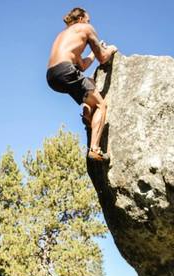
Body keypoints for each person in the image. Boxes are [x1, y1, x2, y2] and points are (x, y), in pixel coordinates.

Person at [47, 7, 117, 161]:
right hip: (66, 70)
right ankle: (95, 149)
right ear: (81, 19)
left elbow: (82, 66)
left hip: (52, 76)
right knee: (101, 105)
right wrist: (110, 49)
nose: (89, 23)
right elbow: (104, 58)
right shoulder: (86, 28)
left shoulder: (64, 35)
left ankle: (87, 111)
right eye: (88, 20)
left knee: (90, 82)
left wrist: (92, 53)